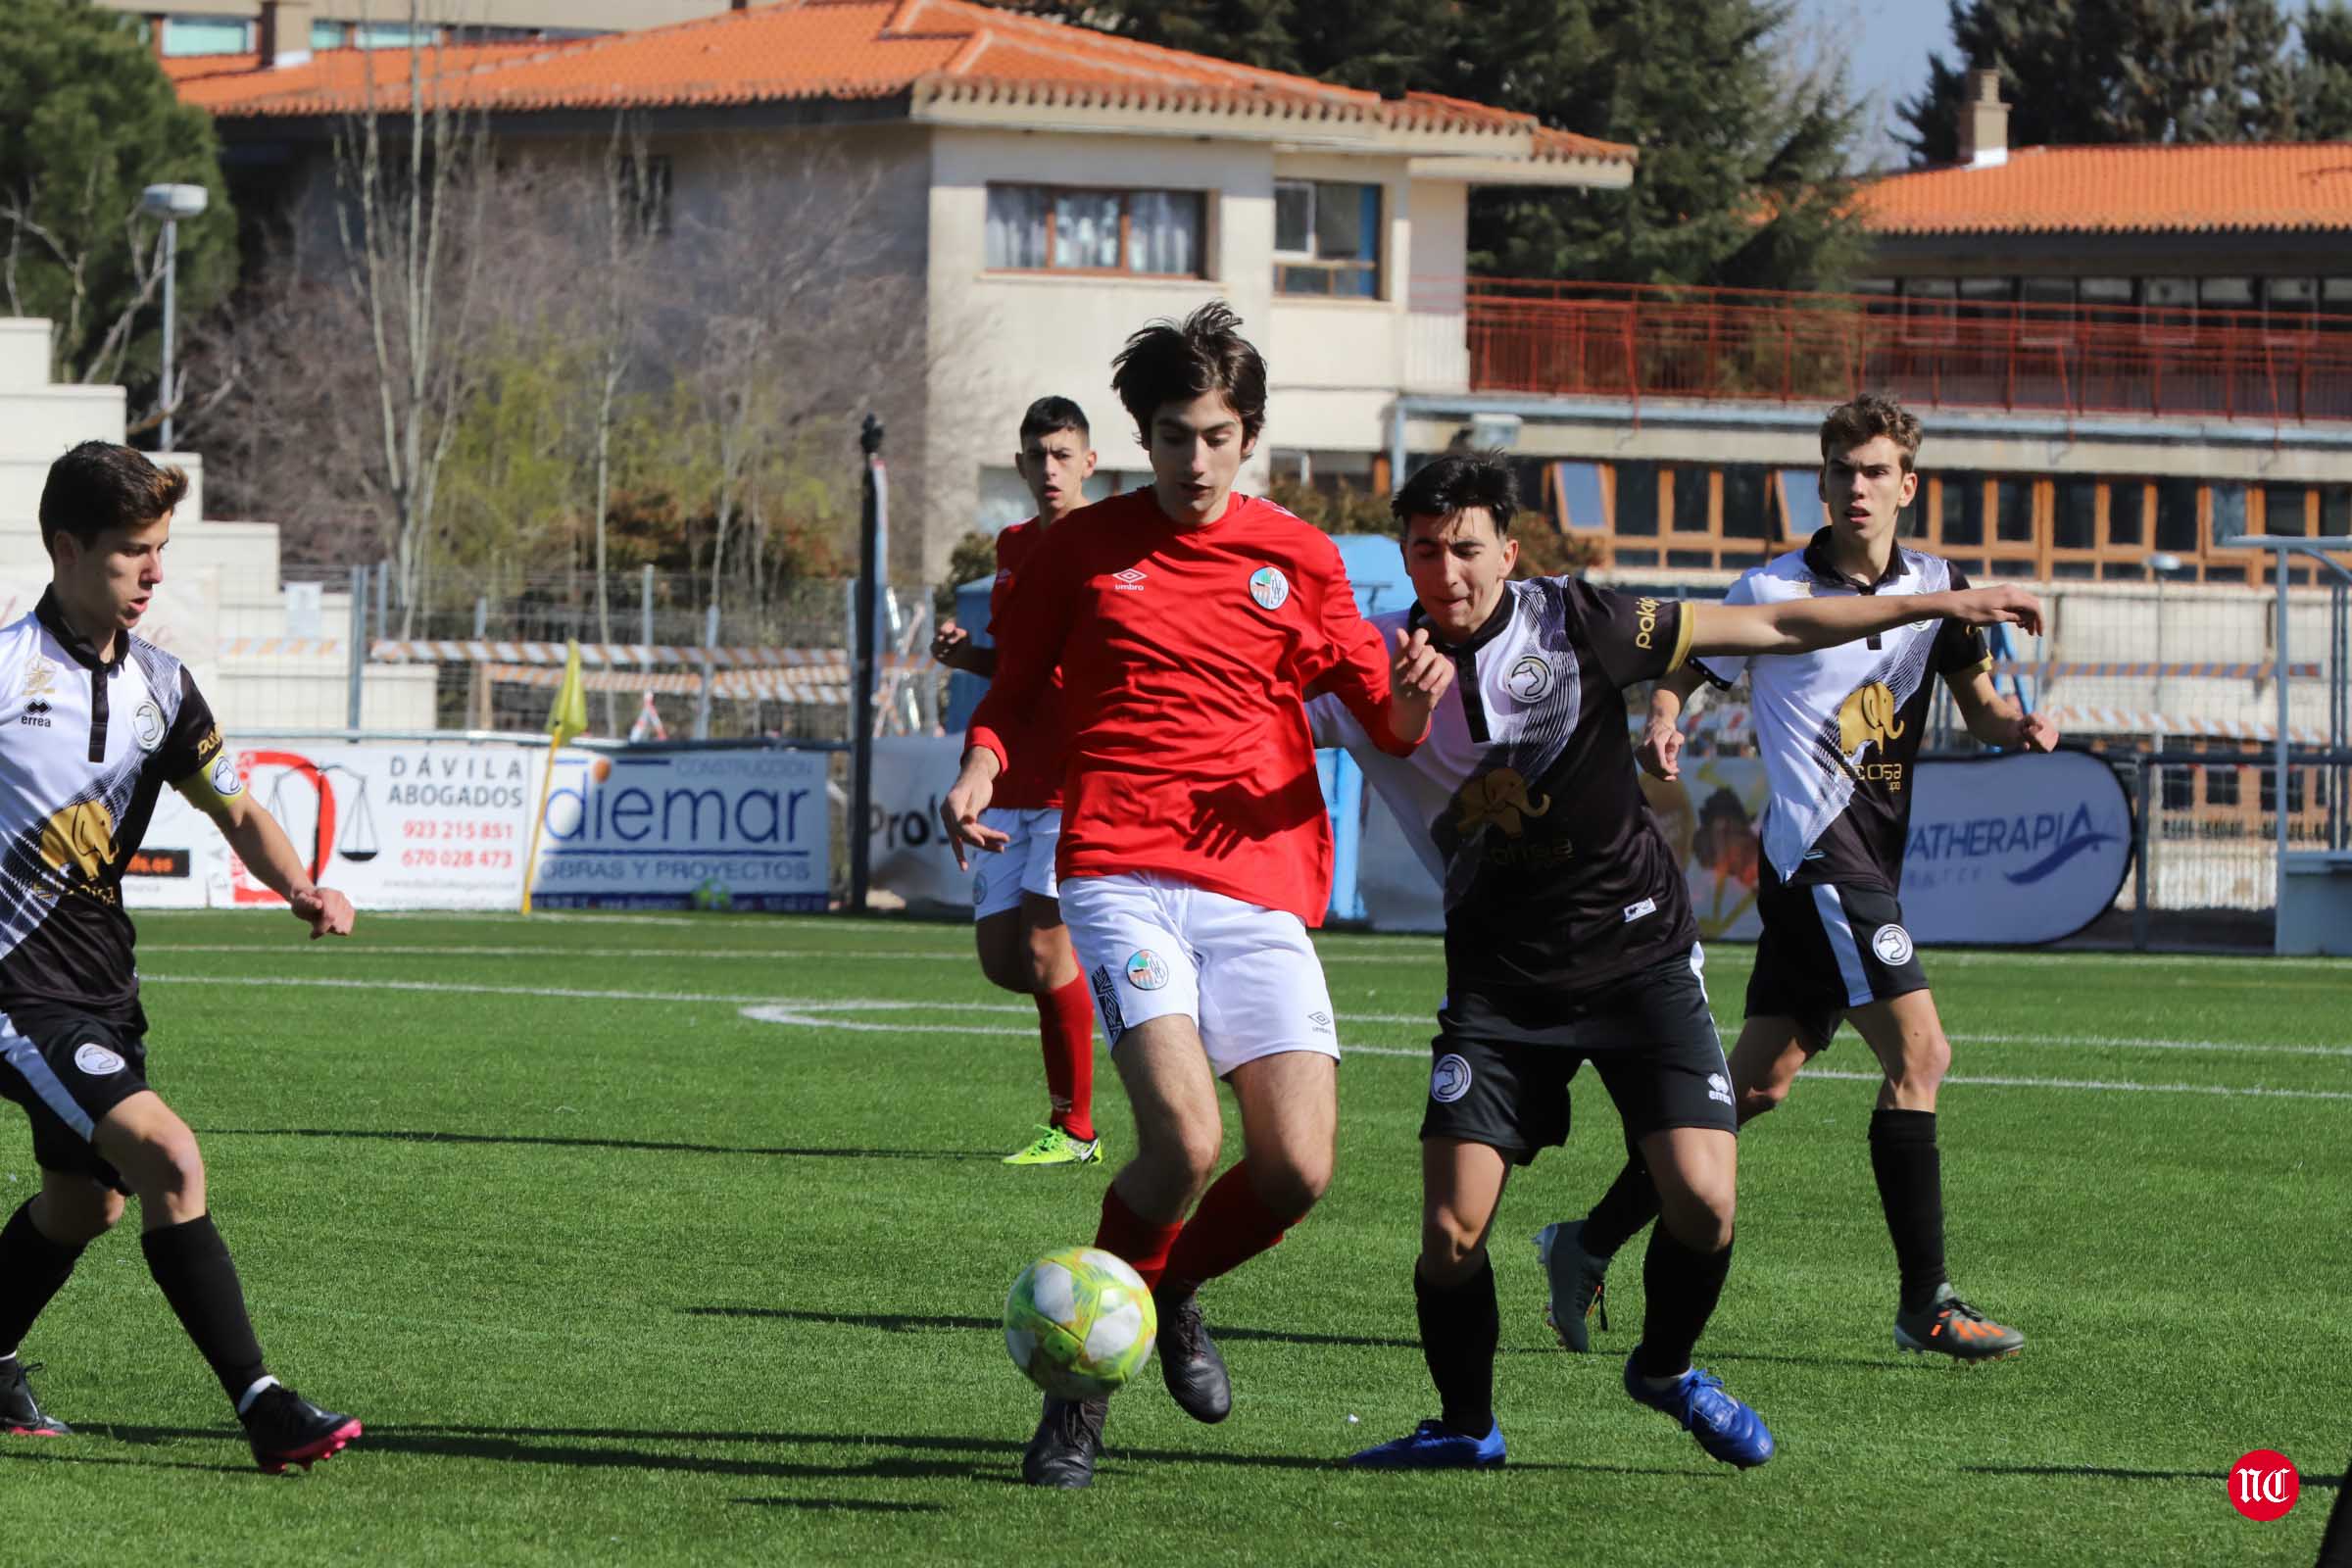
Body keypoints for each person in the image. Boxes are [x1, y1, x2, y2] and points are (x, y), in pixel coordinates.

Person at [1314, 451, 2042, 1470]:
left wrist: (1952, 601)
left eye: (1468, 548)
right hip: (1501, 983)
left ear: (1508, 551)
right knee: (1451, 1229)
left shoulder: (1579, 619)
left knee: (1703, 1201)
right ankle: (1465, 1423)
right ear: (1406, 555)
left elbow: (1778, 626)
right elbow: (1235, 725)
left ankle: (1663, 1368)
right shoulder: (1369, 663)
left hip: (1640, 960)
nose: (1448, 572)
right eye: (1426, 551)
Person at [939, 303, 1452, 1489]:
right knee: (1183, 1136)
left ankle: (1165, 1293)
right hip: (1118, 866)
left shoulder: (1304, 558)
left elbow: (1383, 718)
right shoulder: (1081, 550)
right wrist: (982, 764)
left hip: (1260, 887)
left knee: (1296, 1170)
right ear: (1143, 435)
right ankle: (1078, 1395)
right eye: (1173, 435)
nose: (1195, 460)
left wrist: (1417, 702)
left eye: (1217, 435)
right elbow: (1018, 691)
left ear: (1249, 435)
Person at [1540, 394, 2061, 1368]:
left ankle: (1586, 1239)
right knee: (1923, 1056)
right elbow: (1693, 656)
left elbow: (1979, 704)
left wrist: (2015, 731)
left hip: (1860, 866)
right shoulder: (1771, 585)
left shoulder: (1943, 588)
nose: (1856, 486)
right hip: (1821, 862)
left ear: (1908, 484)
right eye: (1840, 470)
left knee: (1755, 1085)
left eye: (1874, 471)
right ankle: (1927, 1301)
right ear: (1821, 481)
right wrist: (1662, 713)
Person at [0, 441, 363, 1473]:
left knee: (86, 1200)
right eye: (132, 552)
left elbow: (235, 804)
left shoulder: (164, 684)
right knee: (168, 1155)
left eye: (160, 549)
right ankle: (264, 1404)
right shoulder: (5, 670)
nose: (155, 572)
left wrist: (297, 882)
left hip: (102, 987)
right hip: (15, 990)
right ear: (67, 550)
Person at [930, 397, 1104, 1166]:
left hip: (1077, 782)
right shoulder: (1012, 545)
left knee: (1042, 956)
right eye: (1038, 455)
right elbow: (1018, 665)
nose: (1051, 469)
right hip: (1011, 781)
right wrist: (967, 657)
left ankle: (1075, 1129)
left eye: (1065, 454)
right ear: (1022, 463)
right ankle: (1116, 992)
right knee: (1005, 963)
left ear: (1090, 463)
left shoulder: (1110, 548)